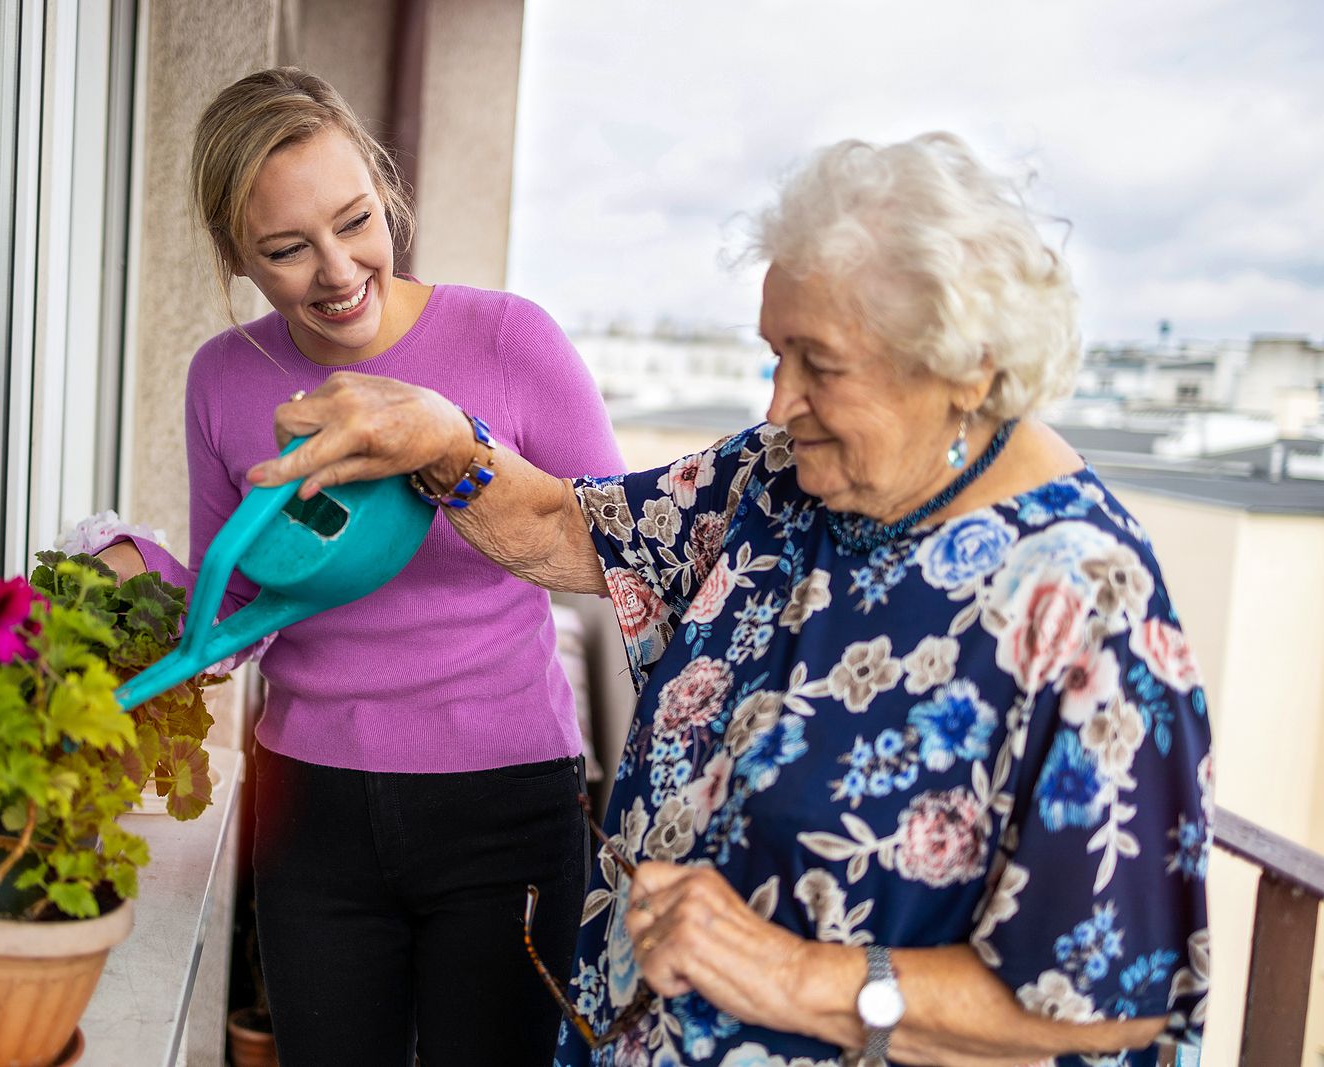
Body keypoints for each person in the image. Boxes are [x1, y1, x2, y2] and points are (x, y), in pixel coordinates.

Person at [250, 132, 1212, 1066]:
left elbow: (1110, 1005)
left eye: (820, 364)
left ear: (966, 368)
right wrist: (450, 444)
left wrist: (792, 975)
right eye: (774, 353)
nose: (779, 401)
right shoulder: (783, 473)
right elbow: (572, 528)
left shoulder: (1086, 602)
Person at [97, 68, 624, 1066]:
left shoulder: (509, 341)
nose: (337, 270)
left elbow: (621, 555)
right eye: (287, 249)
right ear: (236, 256)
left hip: (502, 801)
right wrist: (131, 574)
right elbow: (239, 601)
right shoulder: (223, 375)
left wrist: (453, 451)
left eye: (355, 221)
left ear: (384, 190)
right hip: (310, 807)